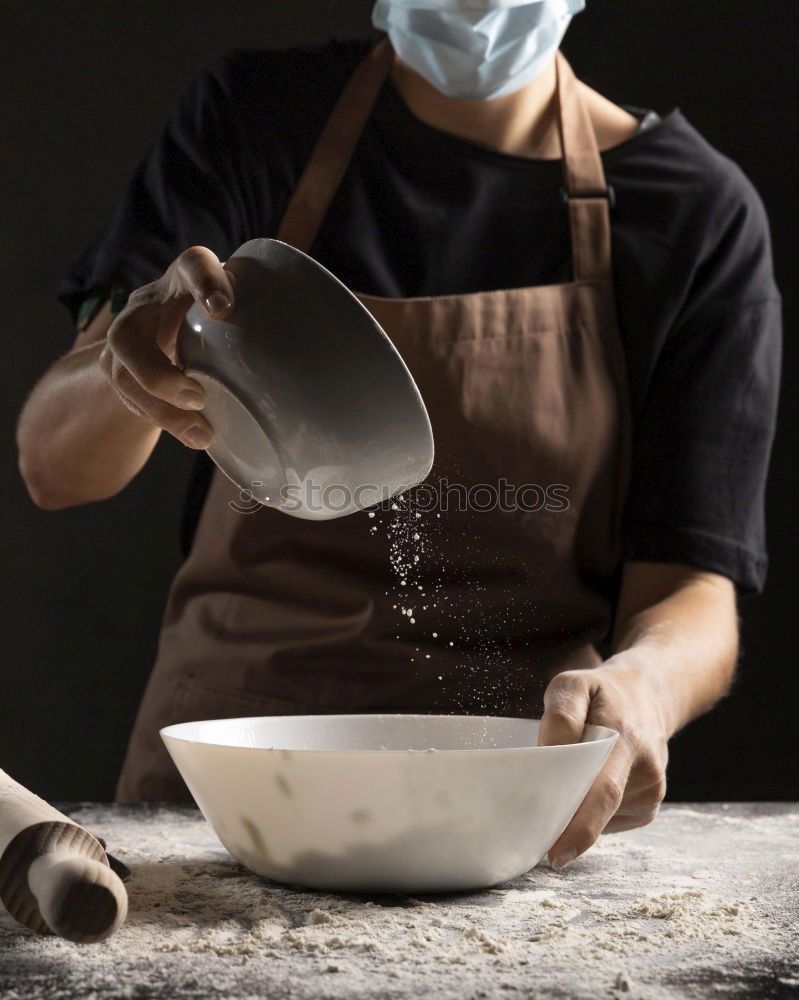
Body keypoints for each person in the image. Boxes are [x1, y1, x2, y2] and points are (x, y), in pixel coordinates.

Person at [16, 0, 781, 873]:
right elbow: (55, 467)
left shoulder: (693, 210)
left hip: (513, 793)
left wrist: (646, 685)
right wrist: (134, 362)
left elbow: (691, 586)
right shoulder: (256, 115)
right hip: (227, 788)